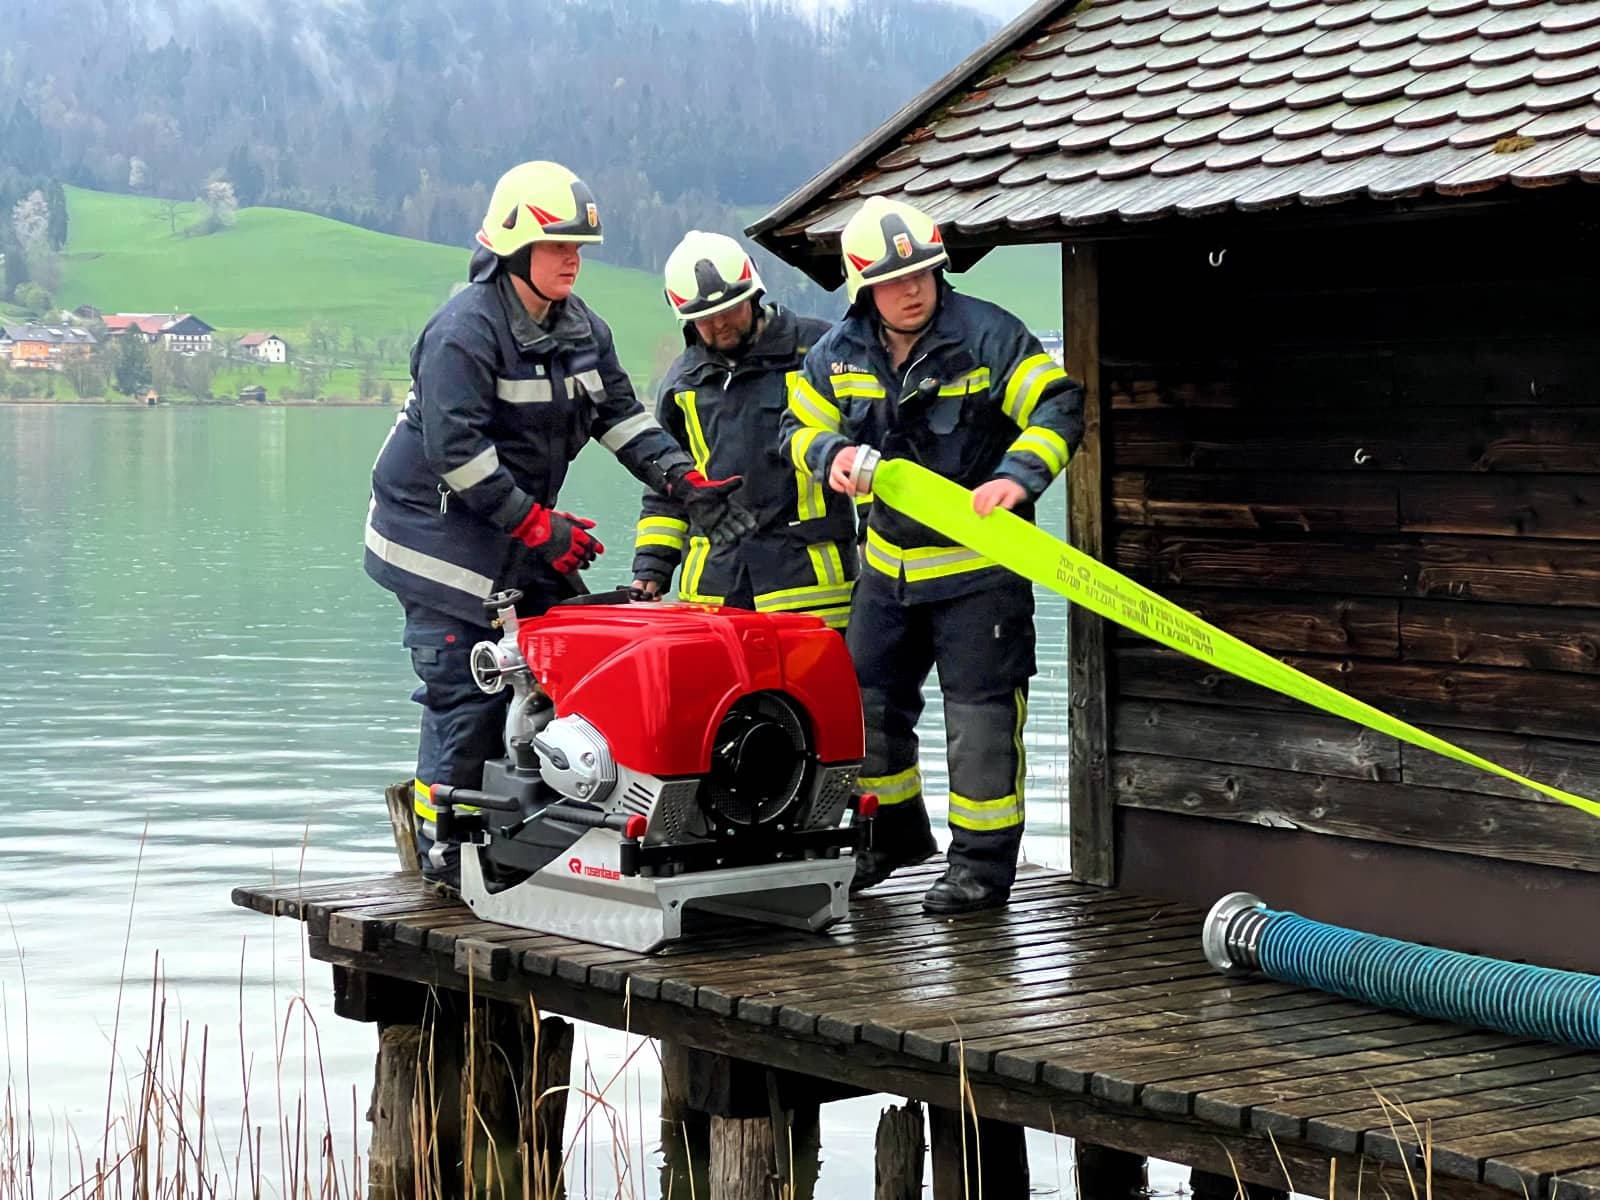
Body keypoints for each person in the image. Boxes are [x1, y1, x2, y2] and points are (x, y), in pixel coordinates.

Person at [364, 161, 756, 891]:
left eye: (578, 247)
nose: (572, 260)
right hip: (429, 532)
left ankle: (543, 828)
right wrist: (538, 525)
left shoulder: (582, 329)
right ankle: (445, 848)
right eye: (557, 247)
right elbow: (458, 455)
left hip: (503, 522)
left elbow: (622, 417)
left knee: (566, 659)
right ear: (514, 251)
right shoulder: (462, 333)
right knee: (466, 683)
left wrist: (684, 480)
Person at [778, 195, 1084, 914]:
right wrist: (830, 455)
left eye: (921, 273)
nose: (912, 289)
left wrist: (1018, 476)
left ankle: (980, 871)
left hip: (981, 577)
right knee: (867, 713)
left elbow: (1057, 406)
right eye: (894, 280)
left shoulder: (989, 336)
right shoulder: (837, 354)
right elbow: (797, 425)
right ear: (865, 289)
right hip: (887, 576)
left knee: (980, 728)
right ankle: (890, 839)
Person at [631, 231, 857, 628]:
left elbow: (868, 446)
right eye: (706, 318)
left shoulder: (818, 351)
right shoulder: (682, 383)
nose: (720, 323)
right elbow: (665, 489)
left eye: (731, 309)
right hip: (714, 591)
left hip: (809, 586)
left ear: (754, 295)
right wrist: (651, 569)